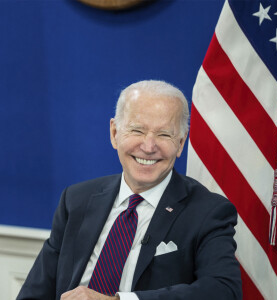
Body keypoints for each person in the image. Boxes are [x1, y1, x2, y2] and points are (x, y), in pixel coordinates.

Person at [17, 80, 242, 300]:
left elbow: (223, 291)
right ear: (115, 133)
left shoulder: (208, 211)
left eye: (164, 134)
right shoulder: (76, 200)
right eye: (137, 130)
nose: (148, 146)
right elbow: (35, 293)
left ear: (181, 143)